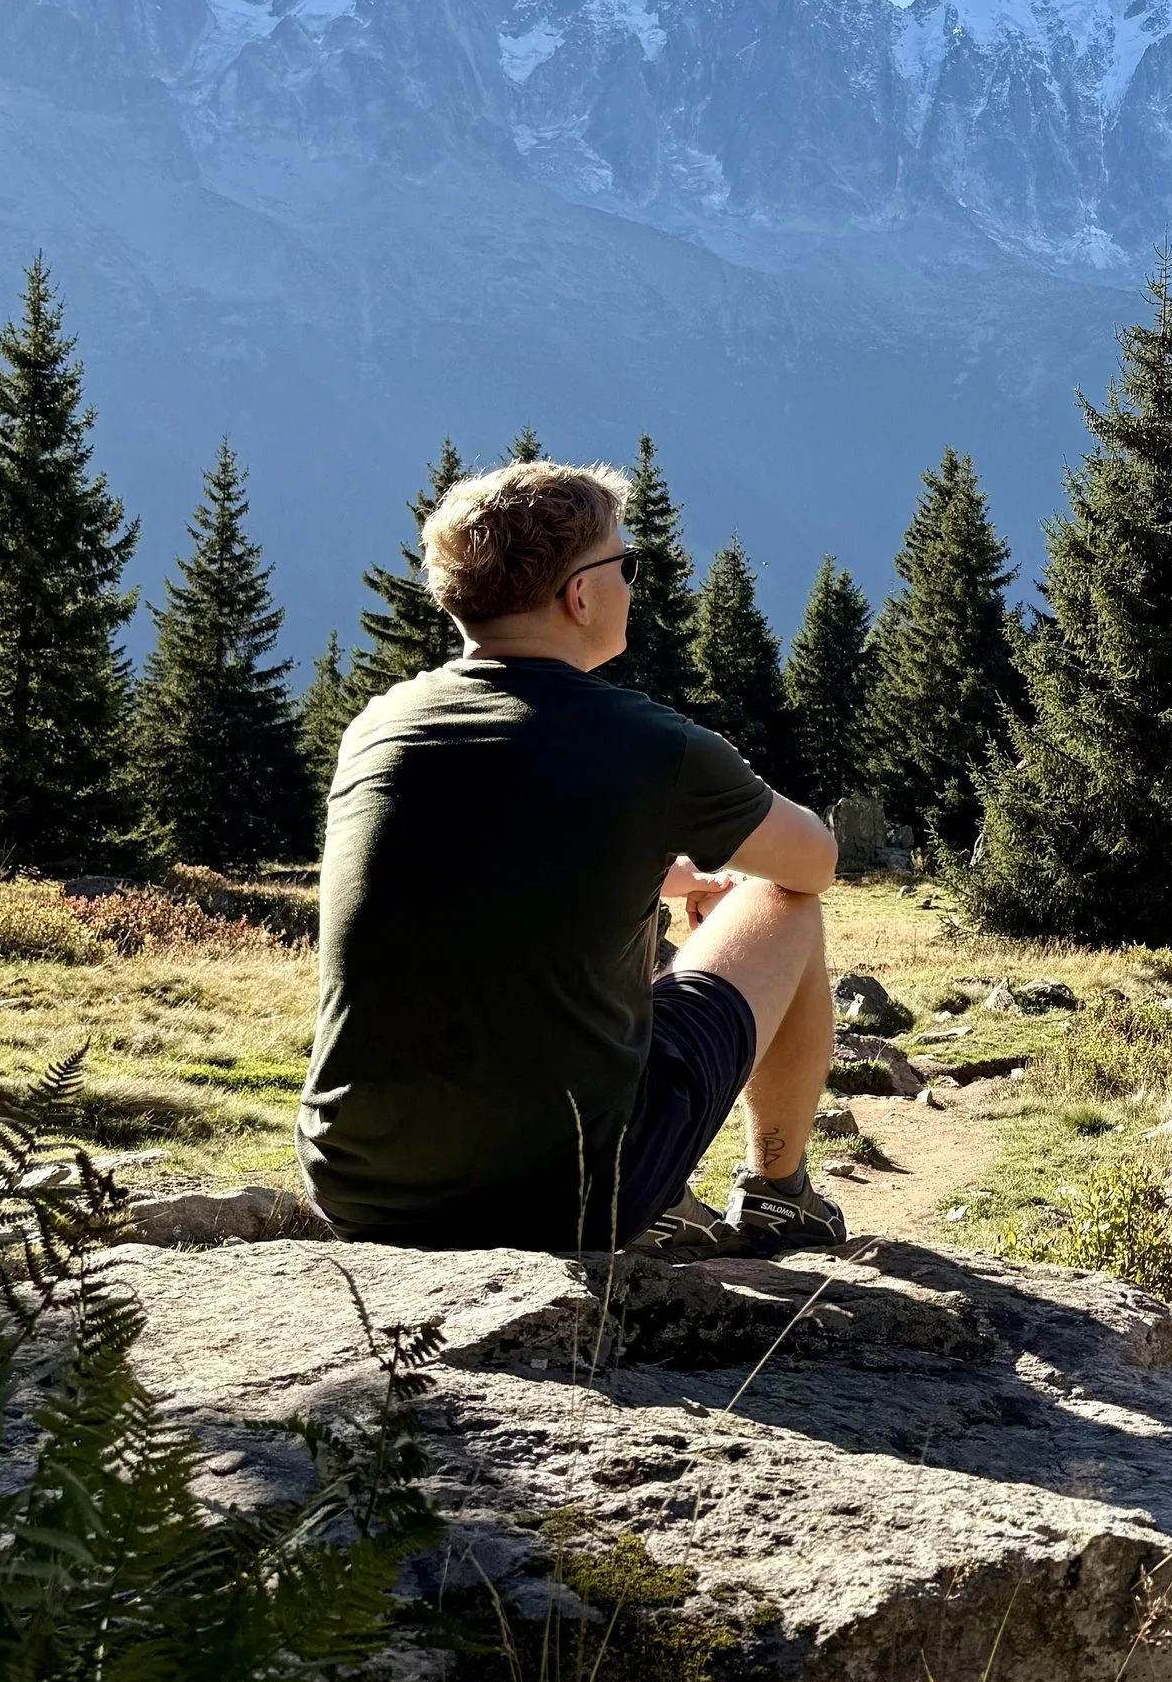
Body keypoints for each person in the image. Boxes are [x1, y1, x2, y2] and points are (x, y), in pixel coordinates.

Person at [297, 456, 846, 1254]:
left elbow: (488, 851)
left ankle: (685, 1195)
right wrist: (718, 890)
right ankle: (777, 1195)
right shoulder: (651, 745)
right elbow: (815, 861)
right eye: (625, 563)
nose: (633, 581)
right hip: (571, 1197)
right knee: (781, 901)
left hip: (357, 1188)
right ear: (579, 595)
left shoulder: (379, 727)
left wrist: (659, 872)